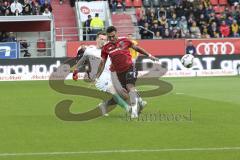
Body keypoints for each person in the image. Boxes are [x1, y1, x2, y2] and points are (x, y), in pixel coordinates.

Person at [95, 26, 158, 118]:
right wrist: (97, 76)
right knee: (122, 95)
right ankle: (104, 105)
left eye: (113, 36)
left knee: (130, 87)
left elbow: (137, 48)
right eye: (109, 37)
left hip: (130, 68)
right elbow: (102, 63)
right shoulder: (106, 48)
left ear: (116, 33)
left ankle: (134, 110)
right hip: (119, 73)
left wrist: (149, 55)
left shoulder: (125, 41)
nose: (112, 38)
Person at [73, 31, 130, 116]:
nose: (103, 41)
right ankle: (128, 108)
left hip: (112, 75)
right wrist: (75, 71)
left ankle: (103, 106)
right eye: (101, 39)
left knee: (124, 95)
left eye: (105, 39)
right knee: (112, 91)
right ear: (96, 39)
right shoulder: (90, 50)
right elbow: (82, 60)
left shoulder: (109, 49)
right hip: (99, 77)